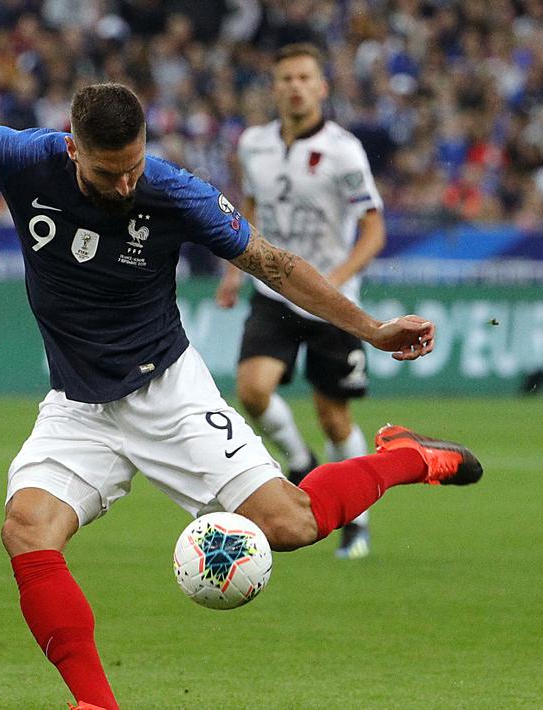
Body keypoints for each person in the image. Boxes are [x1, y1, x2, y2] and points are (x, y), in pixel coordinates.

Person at [0, 83, 482, 710]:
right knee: (25, 528)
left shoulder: (174, 191)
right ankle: (94, 701)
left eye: (133, 167)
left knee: (292, 526)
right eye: (108, 173)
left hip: (165, 389)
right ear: (72, 148)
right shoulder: (21, 156)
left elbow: (275, 264)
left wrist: (371, 328)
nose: (123, 186)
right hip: (77, 404)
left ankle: (406, 457)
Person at [215, 43, 387, 560]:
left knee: (334, 416)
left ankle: (356, 522)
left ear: (321, 87)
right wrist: (231, 272)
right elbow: (246, 210)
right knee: (252, 390)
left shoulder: (344, 150)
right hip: (274, 291)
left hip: (334, 303)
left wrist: (332, 283)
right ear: (274, 87)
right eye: (285, 77)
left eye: (304, 77)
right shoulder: (253, 144)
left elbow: (374, 230)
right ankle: (298, 461)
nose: (294, 85)